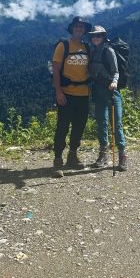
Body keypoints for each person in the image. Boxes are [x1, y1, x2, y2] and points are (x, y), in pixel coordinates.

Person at [52, 16, 92, 172]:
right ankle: (57, 159)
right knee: (62, 127)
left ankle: (73, 156)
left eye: (81, 27)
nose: (78, 29)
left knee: (79, 127)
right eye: (76, 26)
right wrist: (58, 91)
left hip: (83, 94)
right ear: (72, 28)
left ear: (84, 30)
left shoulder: (87, 47)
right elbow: (55, 70)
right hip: (66, 94)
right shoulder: (63, 46)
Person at [88, 25, 127, 171]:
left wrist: (114, 82)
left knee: (116, 123)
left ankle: (122, 156)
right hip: (98, 91)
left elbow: (115, 71)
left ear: (103, 36)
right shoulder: (93, 52)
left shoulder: (108, 50)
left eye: (98, 35)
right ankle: (103, 154)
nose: (95, 38)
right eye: (93, 36)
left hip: (111, 92)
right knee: (101, 123)